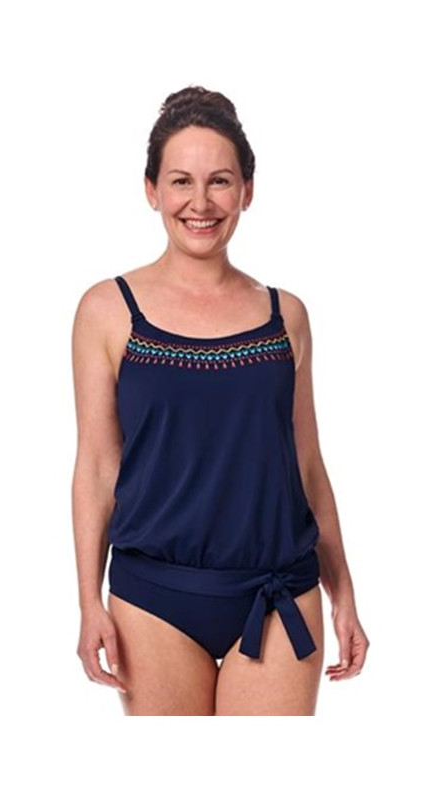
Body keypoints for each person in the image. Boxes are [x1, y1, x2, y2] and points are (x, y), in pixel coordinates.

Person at [71, 86, 369, 715]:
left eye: (220, 182)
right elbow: (97, 467)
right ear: (151, 189)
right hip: (153, 597)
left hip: (280, 591)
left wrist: (343, 593)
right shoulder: (107, 310)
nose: (200, 203)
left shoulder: (285, 315)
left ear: (247, 191)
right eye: (181, 181)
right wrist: (88, 602)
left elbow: (307, 465)